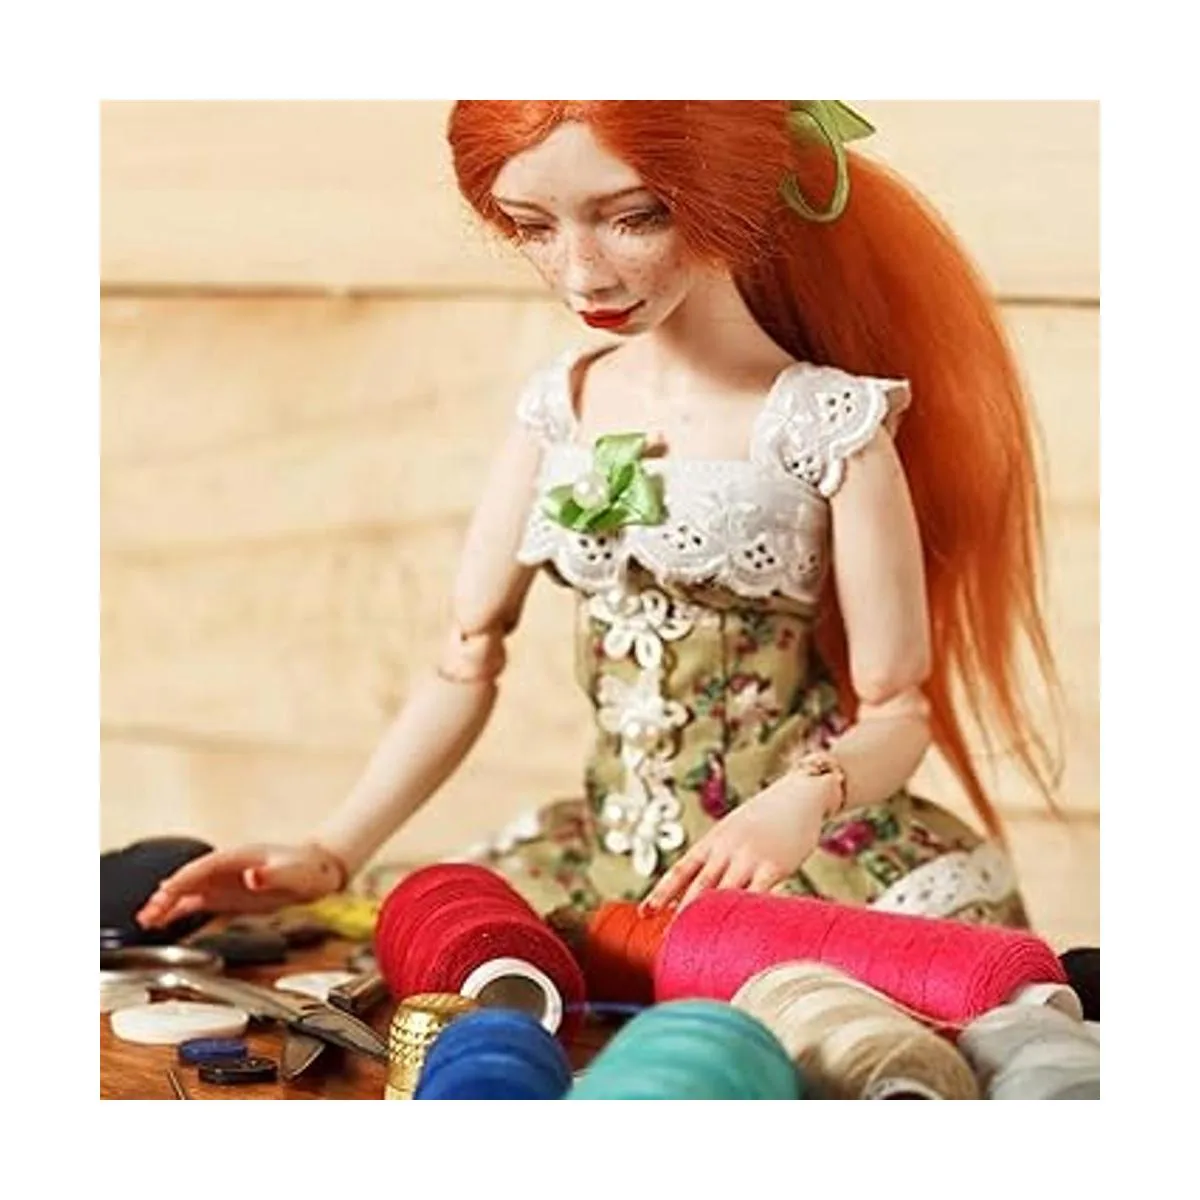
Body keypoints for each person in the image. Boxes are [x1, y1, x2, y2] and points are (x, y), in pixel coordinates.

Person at [136, 101, 1060, 934]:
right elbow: (464, 661)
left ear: (725, 193)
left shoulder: (823, 422)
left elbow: (896, 709)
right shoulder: (560, 408)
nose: (580, 273)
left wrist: (801, 802)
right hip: (605, 860)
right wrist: (330, 850)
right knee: (458, 952)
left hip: (793, 857)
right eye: (533, 227)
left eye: (633, 217)